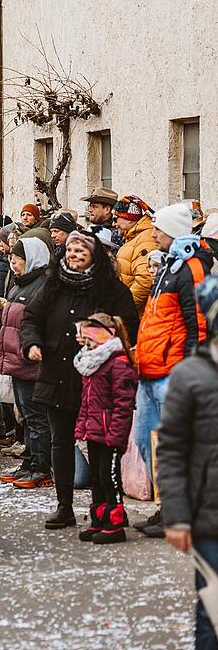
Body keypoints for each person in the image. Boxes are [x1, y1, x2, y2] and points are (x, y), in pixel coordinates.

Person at [20, 230, 138, 530]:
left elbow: (128, 326)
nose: (73, 256)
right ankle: (64, 506)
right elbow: (31, 318)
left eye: (80, 252)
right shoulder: (53, 284)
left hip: (96, 379)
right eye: (70, 251)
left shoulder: (110, 289)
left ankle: (104, 507)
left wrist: (97, 337)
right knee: (60, 441)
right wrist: (32, 343)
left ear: (93, 257)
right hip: (56, 374)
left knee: (99, 445)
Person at [133, 204, 211, 539]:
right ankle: (168, 507)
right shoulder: (170, 263)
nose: (152, 234)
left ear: (173, 231)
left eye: (158, 229)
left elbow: (199, 323)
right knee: (147, 442)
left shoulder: (191, 267)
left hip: (172, 372)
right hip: (150, 370)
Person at [157, 275, 218, 649]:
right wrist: (177, 517)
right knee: (213, 609)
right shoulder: (190, 376)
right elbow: (172, 450)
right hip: (210, 517)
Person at [73, 313, 138, 545]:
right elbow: (87, 401)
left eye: (90, 339)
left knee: (110, 477)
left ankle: (115, 523)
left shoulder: (118, 362)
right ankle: (99, 519)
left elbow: (124, 404)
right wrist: (82, 426)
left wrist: (116, 435)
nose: (86, 344)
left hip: (110, 432)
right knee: (97, 478)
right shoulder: (91, 362)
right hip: (94, 430)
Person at [0, 237, 52, 489]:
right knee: (26, 417)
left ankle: (41, 467)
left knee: (36, 417)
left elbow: (40, 325)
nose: (13, 263)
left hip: (31, 362)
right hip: (17, 363)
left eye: (17, 258)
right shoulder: (20, 285)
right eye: (12, 258)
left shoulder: (42, 286)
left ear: (32, 259)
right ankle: (29, 462)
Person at [113, 195, 158, 314]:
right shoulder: (133, 237)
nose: (114, 224)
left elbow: (145, 279)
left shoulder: (146, 239)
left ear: (128, 218)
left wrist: (124, 307)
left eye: (116, 218)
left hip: (138, 315)